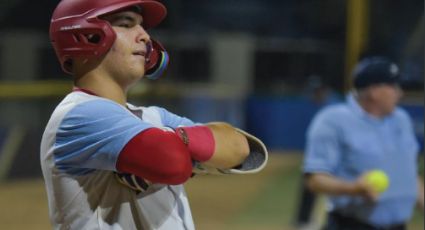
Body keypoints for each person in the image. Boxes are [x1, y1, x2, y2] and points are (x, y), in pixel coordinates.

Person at [40, 0, 268, 229]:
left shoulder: (152, 118)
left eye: (143, 27)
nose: (145, 37)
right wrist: (186, 147)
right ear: (87, 36)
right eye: (127, 24)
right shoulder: (79, 115)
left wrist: (171, 139)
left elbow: (241, 149)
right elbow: (173, 163)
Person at [302, 56, 424, 230]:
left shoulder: (401, 119)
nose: (400, 93)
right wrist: (353, 188)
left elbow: (409, 175)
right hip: (351, 225)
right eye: (394, 87)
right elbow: (315, 179)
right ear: (374, 91)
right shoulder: (333, 120)